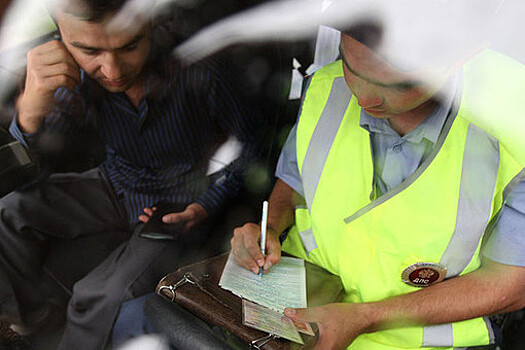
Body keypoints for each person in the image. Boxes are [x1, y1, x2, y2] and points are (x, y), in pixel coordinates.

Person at [231, 28, 525, 349]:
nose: (363, 98)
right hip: (300, 317)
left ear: (461, 57)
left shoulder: (514, 131)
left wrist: (363, 317)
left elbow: (512, 285)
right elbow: (296, 175)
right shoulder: (327, 88)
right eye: (352, 67)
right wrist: (270, 226)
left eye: (398, 85)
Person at [0, 0, 258, 348]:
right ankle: (31, 323)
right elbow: (38, 170)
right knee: (7, 212)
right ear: (60, 36)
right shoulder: (64, 72)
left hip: (181, 203)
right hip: (116, 181)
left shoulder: (199, 66)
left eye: (129, 46)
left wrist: (206, 203)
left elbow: (251, 150)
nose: (112, 69)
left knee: (96, 295)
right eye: (89, 50)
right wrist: (30, 112)